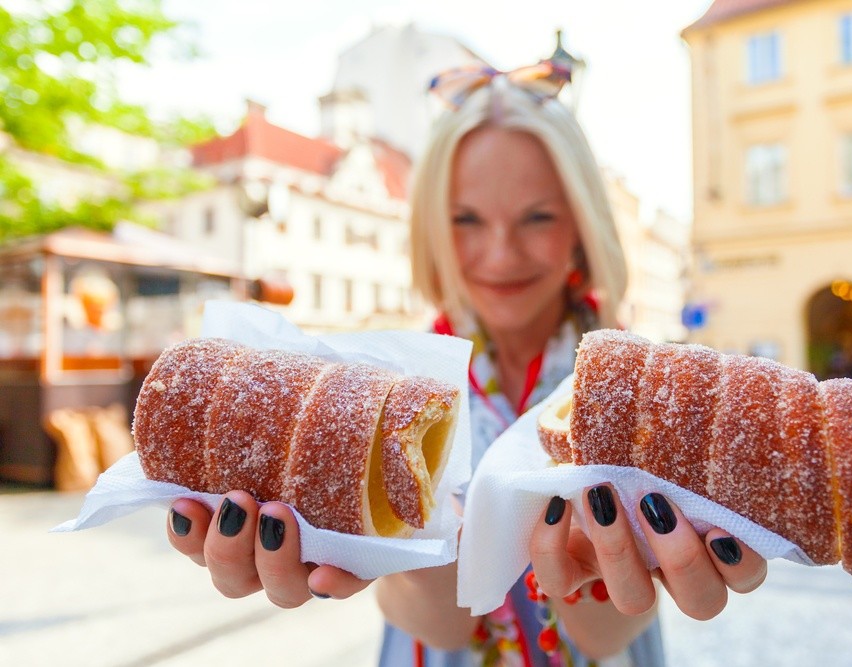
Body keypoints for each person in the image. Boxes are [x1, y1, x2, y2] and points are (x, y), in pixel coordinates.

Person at [163, 61, 768, 666]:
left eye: (538, 217)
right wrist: (395, 553)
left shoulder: (643, 397)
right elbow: (443, 629)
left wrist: (607, 571)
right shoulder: (397, 395)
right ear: (431, 228)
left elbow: (605, 639)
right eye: (467, 220)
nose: (501, 254)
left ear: (581, 231)